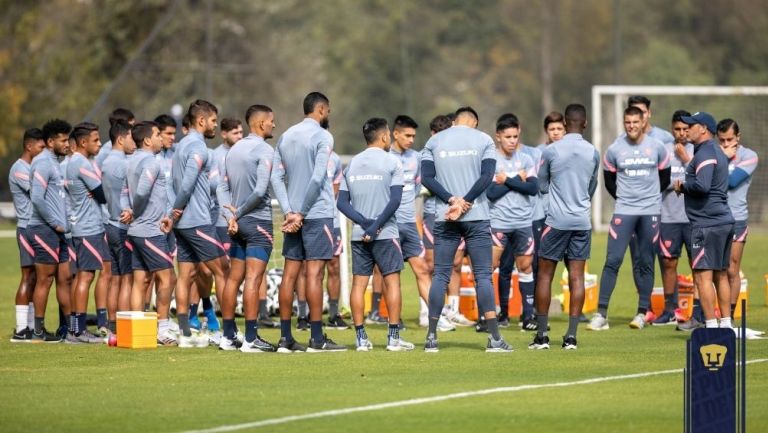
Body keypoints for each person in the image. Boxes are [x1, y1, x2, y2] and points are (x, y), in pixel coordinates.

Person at [421, 106, 512, 353]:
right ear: (475, 122)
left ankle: (431, 338)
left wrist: (453, 200)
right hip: (477, 215)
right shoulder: (483, 139)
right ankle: (494, 339)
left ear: (454, 121)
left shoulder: (434, 141)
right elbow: (487, 176)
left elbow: (427, 179)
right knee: (483, 276)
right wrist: (467, 201)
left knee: (440, 276)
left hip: (445, 216)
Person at [270, 91, 345, 352]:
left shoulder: (286, 135)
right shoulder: (323, 136)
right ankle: (316, 338)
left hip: (293, 215)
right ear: (322, 109)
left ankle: (285, 338)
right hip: (316, 213)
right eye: (328, 111)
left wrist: (289, 209)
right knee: (315, 274)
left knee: (290, 274)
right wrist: (301, 212)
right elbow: (317, 178)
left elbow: (276, 178)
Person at [588, 106, 670, 331]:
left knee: (645, 262)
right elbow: (609, 181)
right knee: (612, 260)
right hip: (624, 211)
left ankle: (642, 313)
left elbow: (665, 177)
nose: (632, 126)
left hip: (650, 212)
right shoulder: (614, 149)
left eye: (635, 122)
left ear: (644, 121)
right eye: (628, 122)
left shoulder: (658, 147)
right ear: (624, 123)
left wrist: (649, 198)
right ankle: (601, 314)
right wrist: (626, 200)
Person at [338, 117, 414, 351]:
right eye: (389, 134)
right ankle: (393, 339)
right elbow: (395, 200)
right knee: (392, 283)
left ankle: (361, 339)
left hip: (359, 234)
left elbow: (342, 203)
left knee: (359, 285)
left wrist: (364, 223)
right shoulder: (392, 161)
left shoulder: (351, 164)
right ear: (383, 137)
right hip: (385, 233)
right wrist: (376, 226)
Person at [529, 104, 599, 350]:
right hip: (582, 221)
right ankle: (571, 337)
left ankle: (542, 336)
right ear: (585, 124)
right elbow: (592, 186)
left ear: (566, 124)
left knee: (545, 275)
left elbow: (542, 184)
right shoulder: (593, 152)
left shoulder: (551, 151)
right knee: (577, 277)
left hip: (556, 221)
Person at [217, 105, 277, 352]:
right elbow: (261, 190)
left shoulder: (233, 150)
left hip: (237, 224)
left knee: (234, 278)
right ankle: (251, 339)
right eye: (272, 121)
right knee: (254, 278)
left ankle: (228, 336)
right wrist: (238, 213)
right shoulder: (264, 149)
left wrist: (229, 215)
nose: (274, 124)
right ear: (261, 124)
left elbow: (221, 187)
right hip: (257, 221)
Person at [170, 100, 230, 344]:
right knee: (223, 270)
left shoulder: (180, 145)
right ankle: (229, 332)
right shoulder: (198, 148)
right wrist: (176, 210)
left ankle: (185, 333)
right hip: (196, 220)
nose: (215, 125)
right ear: (202, 121)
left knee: (185, 274)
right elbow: (187, 183)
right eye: (214, 121)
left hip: (184, 224)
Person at [123, 121, 184, 346]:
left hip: (138, 231)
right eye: (158, 134)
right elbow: (141, 193)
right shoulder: (151, 162)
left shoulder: (131, 161)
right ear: (147, 140)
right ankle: (162, 331)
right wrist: (134, 211)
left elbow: (126, 192)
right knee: (167, 278)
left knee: (141, 279)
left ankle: (137, 331)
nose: (161, 138)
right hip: (150, 230)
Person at [673, 112, 734, 329]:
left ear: (704, 129)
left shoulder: (706, 151)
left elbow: (702, 185)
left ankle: (710, 325)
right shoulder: (712, 150)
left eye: (691, 125)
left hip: (707, 224)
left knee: (702, 277)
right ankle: (726, 324)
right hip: (722, 221)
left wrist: (682, 187)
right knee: (721, 275)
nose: (686, 129)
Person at [486, 114, 538, 328]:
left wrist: (506, 180)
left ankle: (527, 317)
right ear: (498, 136)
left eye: (515, 136)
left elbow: (533, 188)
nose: (512, 140)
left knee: (525, 267)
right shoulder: (491, 161)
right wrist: (518, 180)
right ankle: (489, 315)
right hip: (498, 223)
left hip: (523, 223)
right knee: (491, 267)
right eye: (507, 136)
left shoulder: (526, 159)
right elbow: (490, 193)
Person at [64, 122, 111, 343]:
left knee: (81, 276)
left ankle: (74, 329)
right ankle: (79, 330)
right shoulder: (82, 163)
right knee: (86, 276)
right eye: (95, 140)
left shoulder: (73, 162)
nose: (100, 143)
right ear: (83, 142)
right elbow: (102, 195)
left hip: (79, 227)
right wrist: (99, 190)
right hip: (89, 227)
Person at [28, 119, 74, 342]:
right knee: (44, 280)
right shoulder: (42, 162)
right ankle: (38, 331)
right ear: (49, 142)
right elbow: (36, 197)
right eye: (63, 140)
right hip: (44, 229)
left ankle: (72, 329)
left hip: (60, 232)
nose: (67, 144)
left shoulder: (56, 162)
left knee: (65, 279)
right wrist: (54, 222)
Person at [717, 118, 763, 337]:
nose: (726, 144)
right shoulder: (713, 154)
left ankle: (730, 319)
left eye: (730, 139)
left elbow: (730, 182)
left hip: (737, 218)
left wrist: (722, 161)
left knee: (731, 269)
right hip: (714, 218)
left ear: (738, 137)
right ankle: (717, 317)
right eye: (722, 140)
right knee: (714, 270)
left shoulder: (749, 156)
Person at [654, 111, 694, 326]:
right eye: (678, 129)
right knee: (669, 262)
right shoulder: (664, 151)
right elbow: (659, 180)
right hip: (668, 216)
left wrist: (687, 164)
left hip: (694, 218)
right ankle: (670, 309)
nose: (682, 133)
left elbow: (701, 179)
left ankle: (698, 311)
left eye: (686, 129)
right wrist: (682, 183)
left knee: (697, 264)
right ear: (672, 129)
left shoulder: (697, 151)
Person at [9, 128, 46, 342]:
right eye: (40, 148)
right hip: (26, 227)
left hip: (35, 228)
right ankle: (21, 329)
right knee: (27, 276)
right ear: (29, 146)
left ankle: (31, 326)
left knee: (35, 277)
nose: (42, 152)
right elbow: (40, 192)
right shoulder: (20, 169)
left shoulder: (33, 167)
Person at [101, 121, 137, 336]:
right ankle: (124, 328)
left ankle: (112, 326)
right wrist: (127, 211)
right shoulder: (122, 163)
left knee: (115, 277)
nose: (134, 142)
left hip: (109, 225)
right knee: (127, 278)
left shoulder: (106, 161)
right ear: (121, 139)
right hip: (122, 226)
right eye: (132, 137)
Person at [323, 149, 349, 329]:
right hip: (308, 221)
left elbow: (335, 189)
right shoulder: (304, 155)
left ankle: (333, 315)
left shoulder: (335, 159)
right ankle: (304, 315)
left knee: (334, 266)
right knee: (308, 269)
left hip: (332, 222)